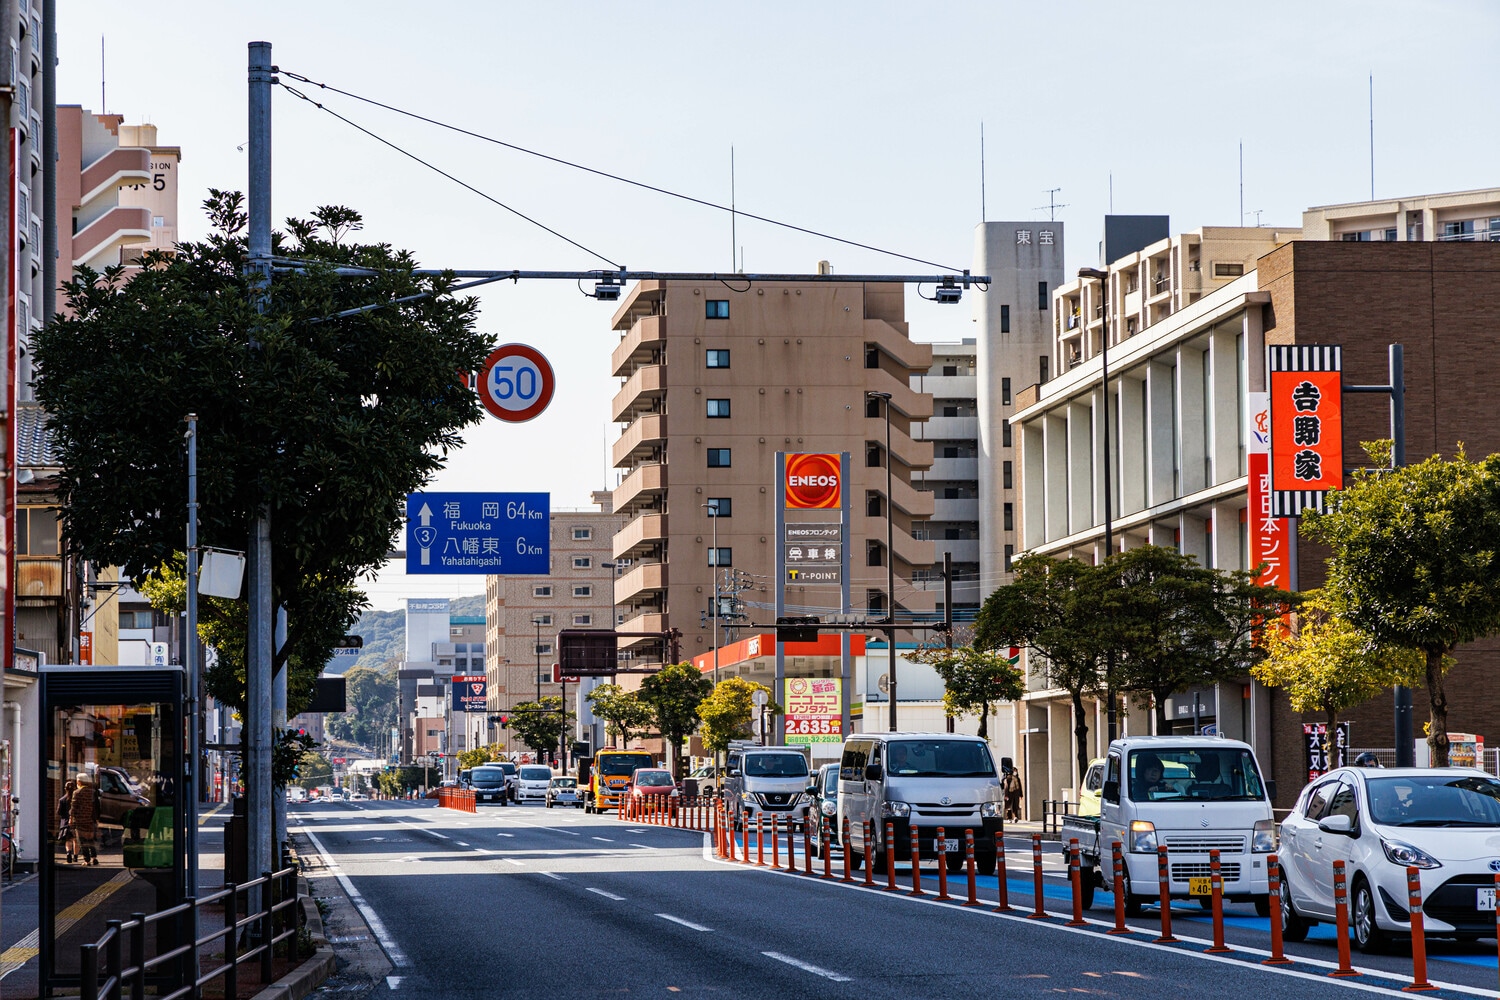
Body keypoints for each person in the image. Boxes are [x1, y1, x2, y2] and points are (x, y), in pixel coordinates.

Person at [70, 774, 99, 866]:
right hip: (90, 819)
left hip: (80, 820)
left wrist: (71, 818)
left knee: (82, 841)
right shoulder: (93, 792)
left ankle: (87, 860)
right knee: (90, 839)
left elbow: (73, 808)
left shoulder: (77, 793)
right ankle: (94, 857)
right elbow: (97, 807)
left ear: (79, 781)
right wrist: (96, 818)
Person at [57, 779, 76, 864]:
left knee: (68, 840)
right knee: (75, 840)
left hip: (65, 822)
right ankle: (75, 856)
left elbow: (59, 812)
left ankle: (68, 852)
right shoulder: (75, 799)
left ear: (65, 789)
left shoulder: (62, 800)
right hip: (75, 822)